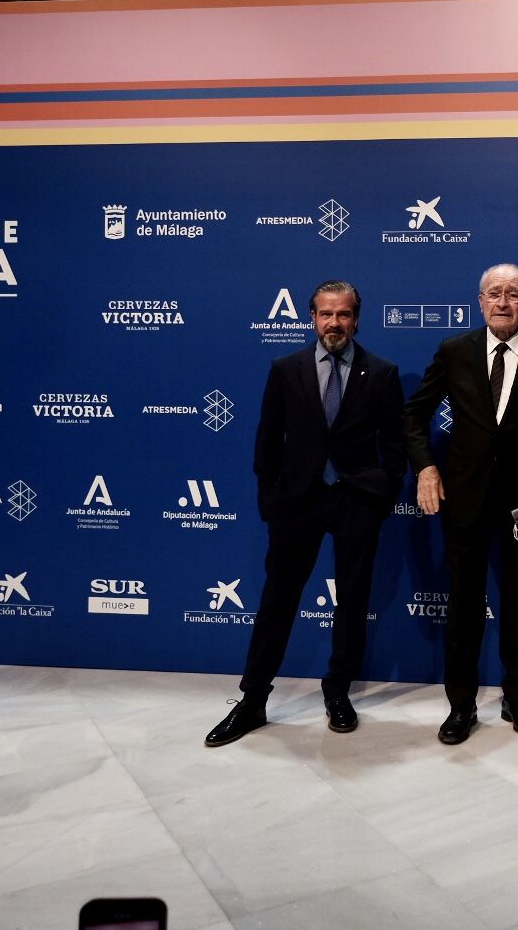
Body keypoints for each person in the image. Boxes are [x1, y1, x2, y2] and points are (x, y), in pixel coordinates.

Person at [206, 279, 406, 746]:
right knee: (278, 601)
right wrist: (270, 499)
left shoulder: (382, 372)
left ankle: (338, 693)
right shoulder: (285, 368)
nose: (334, 323)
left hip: (356, 501)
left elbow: (394, 444)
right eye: (325, 314)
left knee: (353, 601)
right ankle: (253, 700)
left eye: (343, 315)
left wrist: (382, 493)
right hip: (298, 503)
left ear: (357, 318)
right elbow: (267, 440)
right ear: (311, 318)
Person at [402, 263, 518, 744]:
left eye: (514, 294)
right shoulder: (453, 351)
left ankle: (517, 697)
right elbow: (414, 414)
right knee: (463, 602)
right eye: (494, 294)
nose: (503, 301)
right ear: (480, 302)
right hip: (464, 498)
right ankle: (460, 705)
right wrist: (425, 467)